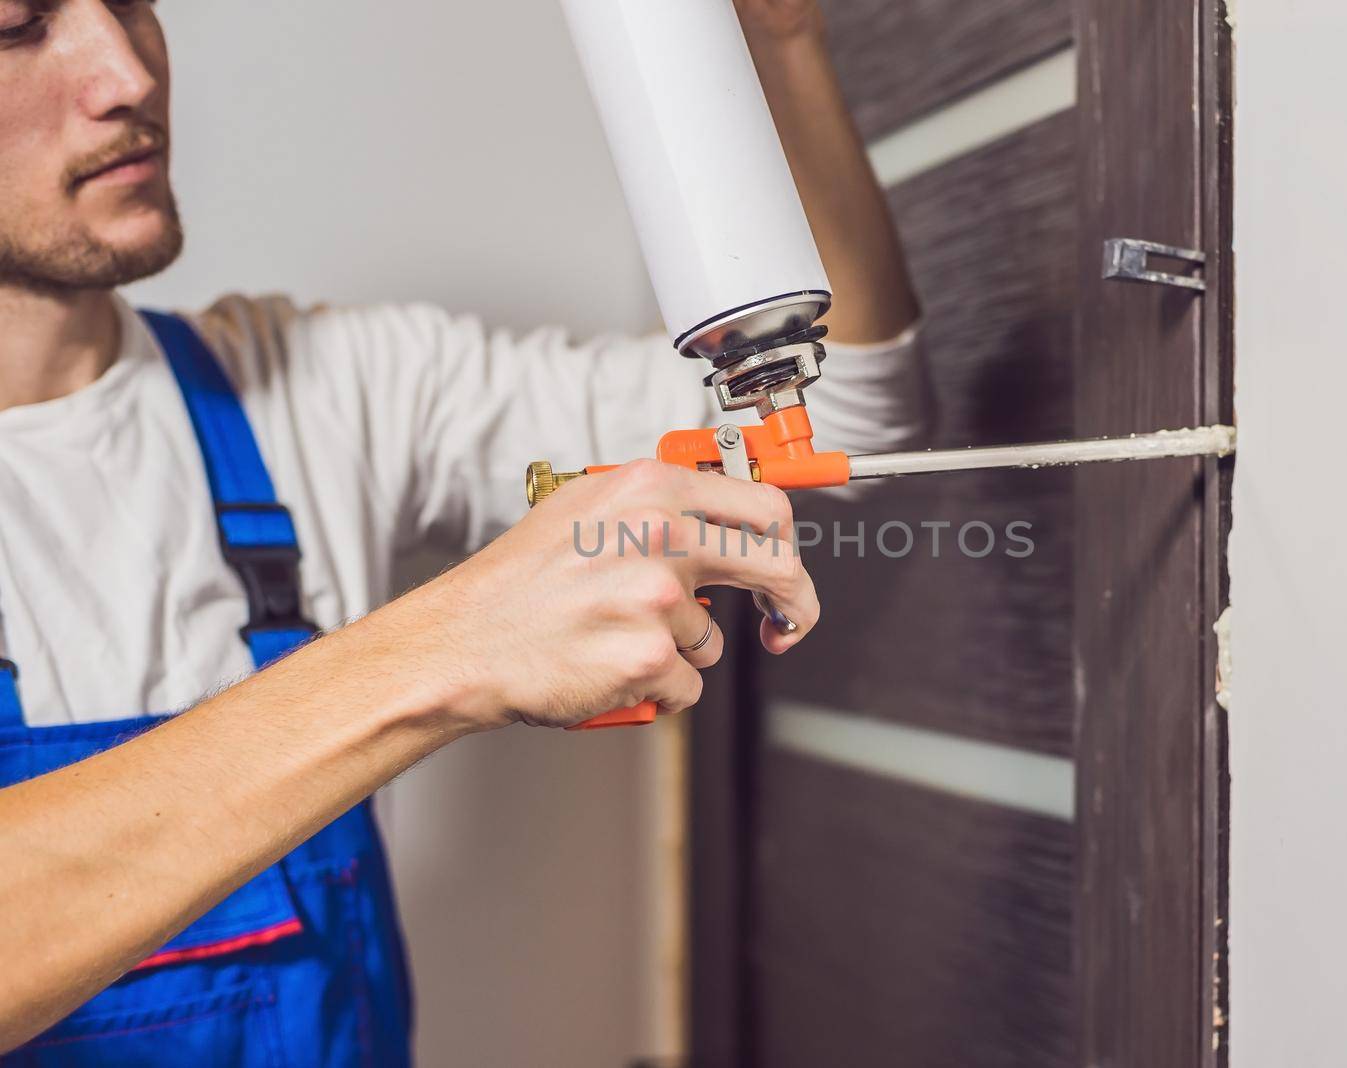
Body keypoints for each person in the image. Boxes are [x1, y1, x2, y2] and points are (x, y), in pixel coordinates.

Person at [0, 0, 924, 1060]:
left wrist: (776, 44)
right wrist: (446, 650)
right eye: (16, 26)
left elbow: (842, 412)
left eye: (127, 2)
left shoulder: (310, 388)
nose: (125, 74)